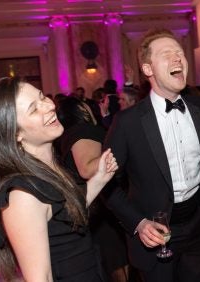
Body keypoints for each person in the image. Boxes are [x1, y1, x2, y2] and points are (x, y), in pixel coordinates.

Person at [103, 28, 200, 282]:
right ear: (148, 70)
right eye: (167, 54)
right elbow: (106, 184)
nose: (178, 58)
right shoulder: (127, 122)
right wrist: (138, 223)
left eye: (180, 53)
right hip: (154, 234)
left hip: (197, 226)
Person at [0, 77, 118, 281]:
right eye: (33, 109)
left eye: (42, 96)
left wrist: (99, 179)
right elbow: (41, 278)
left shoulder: (45, 170)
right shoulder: (22, 196)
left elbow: (63, 218)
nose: (49, 105)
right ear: (15, 134)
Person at [55, 96, 131, 282]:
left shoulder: (69, 134)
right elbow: (88, 168)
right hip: (101, 208)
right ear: (81, 110)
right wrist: (126, 151)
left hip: (90, 207)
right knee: (117, 264)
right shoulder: (83, 130)